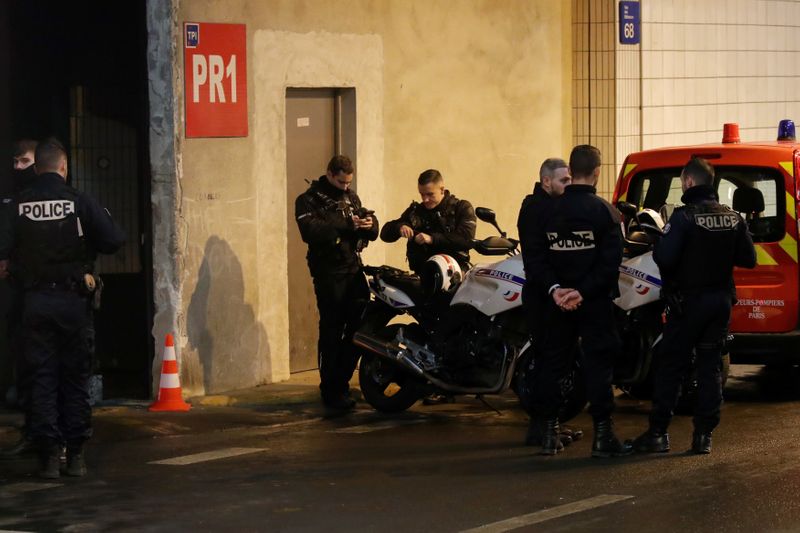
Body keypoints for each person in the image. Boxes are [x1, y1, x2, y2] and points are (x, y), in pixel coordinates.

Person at [0, 137, 125, 478]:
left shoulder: (19, 204)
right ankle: (77, 456)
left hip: (35, 303)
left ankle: (49, 457)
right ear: (64, 167)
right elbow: (114, 239)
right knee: (74, 379)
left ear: (38, 168)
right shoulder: (78, 201)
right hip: (73, 303)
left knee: (41, 378)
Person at [631, 157, 756, 455]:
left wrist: (662, 241)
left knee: (671, 367)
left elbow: (665, 258)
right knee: (710, 368)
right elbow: (748, 259)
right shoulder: (733, 218)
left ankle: (658, 434)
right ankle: (703, 437)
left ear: (688, 182)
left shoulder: (684, 217)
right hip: (720, 303)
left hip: (688, 304)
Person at [526, 145, 632, 457]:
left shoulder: (548, 211)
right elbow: (610, 265)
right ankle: (602, 437)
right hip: (594, 303)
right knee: (599, 366)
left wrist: (557, 290)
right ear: (597, 172)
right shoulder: (605, 213)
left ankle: (548, 433)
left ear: (571, 172)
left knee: (552, 363)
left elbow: (534, 259)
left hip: (555, 303)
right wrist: (582, 292)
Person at [295, 155, 379, 411]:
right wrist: (346, 223)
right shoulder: (308, 199)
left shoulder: (351, 198)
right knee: (332, 330)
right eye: (341, 181)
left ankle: (342, 380)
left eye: (349, 182)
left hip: (353, 270)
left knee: (361, 328)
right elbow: (310, 232)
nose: (345, 186)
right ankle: (330, 389)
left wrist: (368, 224)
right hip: (328, 273)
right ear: (330, 174)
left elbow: (372, 233)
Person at [516, 158, 582, 447]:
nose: (568, 185)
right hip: (544, 296)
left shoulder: (550, 206)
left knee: (553, 362)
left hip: (551, 293)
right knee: (548, 364)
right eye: (563, 181)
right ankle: (545, 429)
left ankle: (545, 425)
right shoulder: (536, 209)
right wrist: (556, 288)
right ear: (546, 182)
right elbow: (537, 260)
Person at [0, 138, 39, 459]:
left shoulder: (37, 201)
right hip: (19, 295)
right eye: (15, 162)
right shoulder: (11, 200)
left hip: (39, 295)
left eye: (24, 162)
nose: (17, 168)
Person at [380, 169, 476, 274]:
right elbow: (385, 234)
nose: (425, 199)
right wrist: (400, 227)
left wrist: (432, 239)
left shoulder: (461, 208)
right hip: (424, 276)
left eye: (430, 194)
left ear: (442, 190)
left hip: (455, 274)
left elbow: (467, 240)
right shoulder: (417, 211)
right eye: (422, 194)